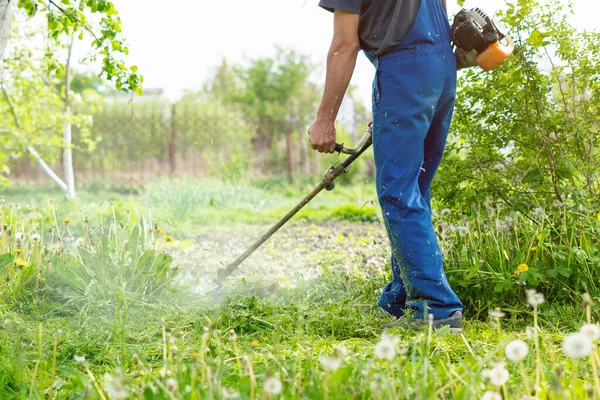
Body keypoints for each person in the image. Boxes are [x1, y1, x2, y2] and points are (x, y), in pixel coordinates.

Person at [308, 0, 464, 331]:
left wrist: (325, 119)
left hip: (406, 70)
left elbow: (344, 45)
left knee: (398, 192)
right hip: (442, 67)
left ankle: (437, 308)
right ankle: (402, 296)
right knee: (415, 190)